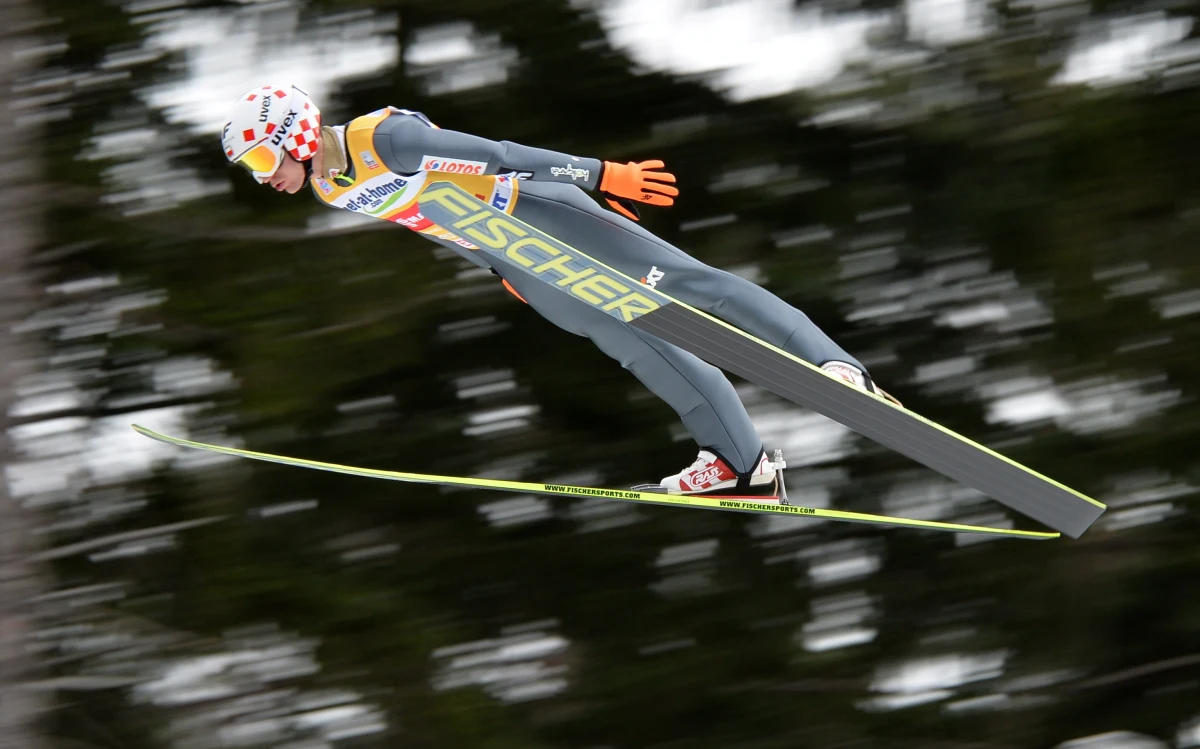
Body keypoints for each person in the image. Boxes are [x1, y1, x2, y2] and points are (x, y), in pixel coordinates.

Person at [220, 83, 899, 497]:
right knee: (634, 341)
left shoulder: (386, 139)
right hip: (515, 257)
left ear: (296, 133)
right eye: (252, 167)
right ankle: (741, 464)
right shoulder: (330, 186)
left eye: (263, 158)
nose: (264, 177)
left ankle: (836, 367)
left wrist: (601, 174)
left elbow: (500, 155)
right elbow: (431, 221)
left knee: (688, 287)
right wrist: (502, 270)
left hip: (538, 210)